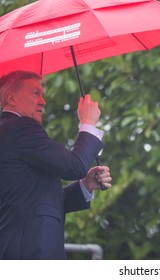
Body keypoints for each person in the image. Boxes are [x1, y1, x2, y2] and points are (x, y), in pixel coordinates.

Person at [0, 70, 112, 260]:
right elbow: (73, 166)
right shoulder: (20, 128)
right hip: (29, 253)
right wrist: (87, 123)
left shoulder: (11, 131)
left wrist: (84, 185)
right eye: (36, 93)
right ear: (11, 97)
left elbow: (39, 202)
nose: (43, 101)